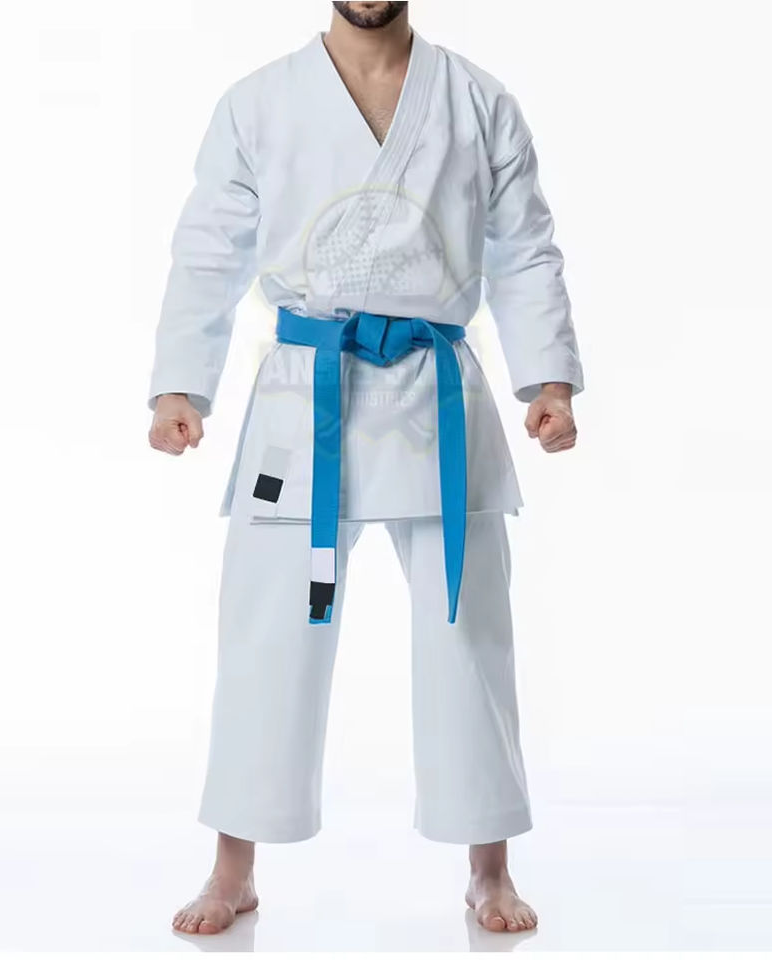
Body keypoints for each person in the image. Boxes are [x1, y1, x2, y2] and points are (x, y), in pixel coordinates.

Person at [149, 0, 582, 936]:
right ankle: (232, 868)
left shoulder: (478, 102)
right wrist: (181, 385)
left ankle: (489, 870)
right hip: (302, 391)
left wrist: (547, 378)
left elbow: (523, 247)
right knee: (268, 635)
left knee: (468, 636)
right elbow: (208, 249)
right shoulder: (257, 102)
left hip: (437, 391)